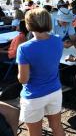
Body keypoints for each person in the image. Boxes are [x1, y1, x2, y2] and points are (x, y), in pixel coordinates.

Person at [16, 8, 65, 136]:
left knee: (35, 133)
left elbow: (23, 79)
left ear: (28, 25)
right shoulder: (58, 40)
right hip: (55, 91)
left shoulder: (24, 48)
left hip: (34, 95)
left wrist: (18, 75)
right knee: (57, 126)